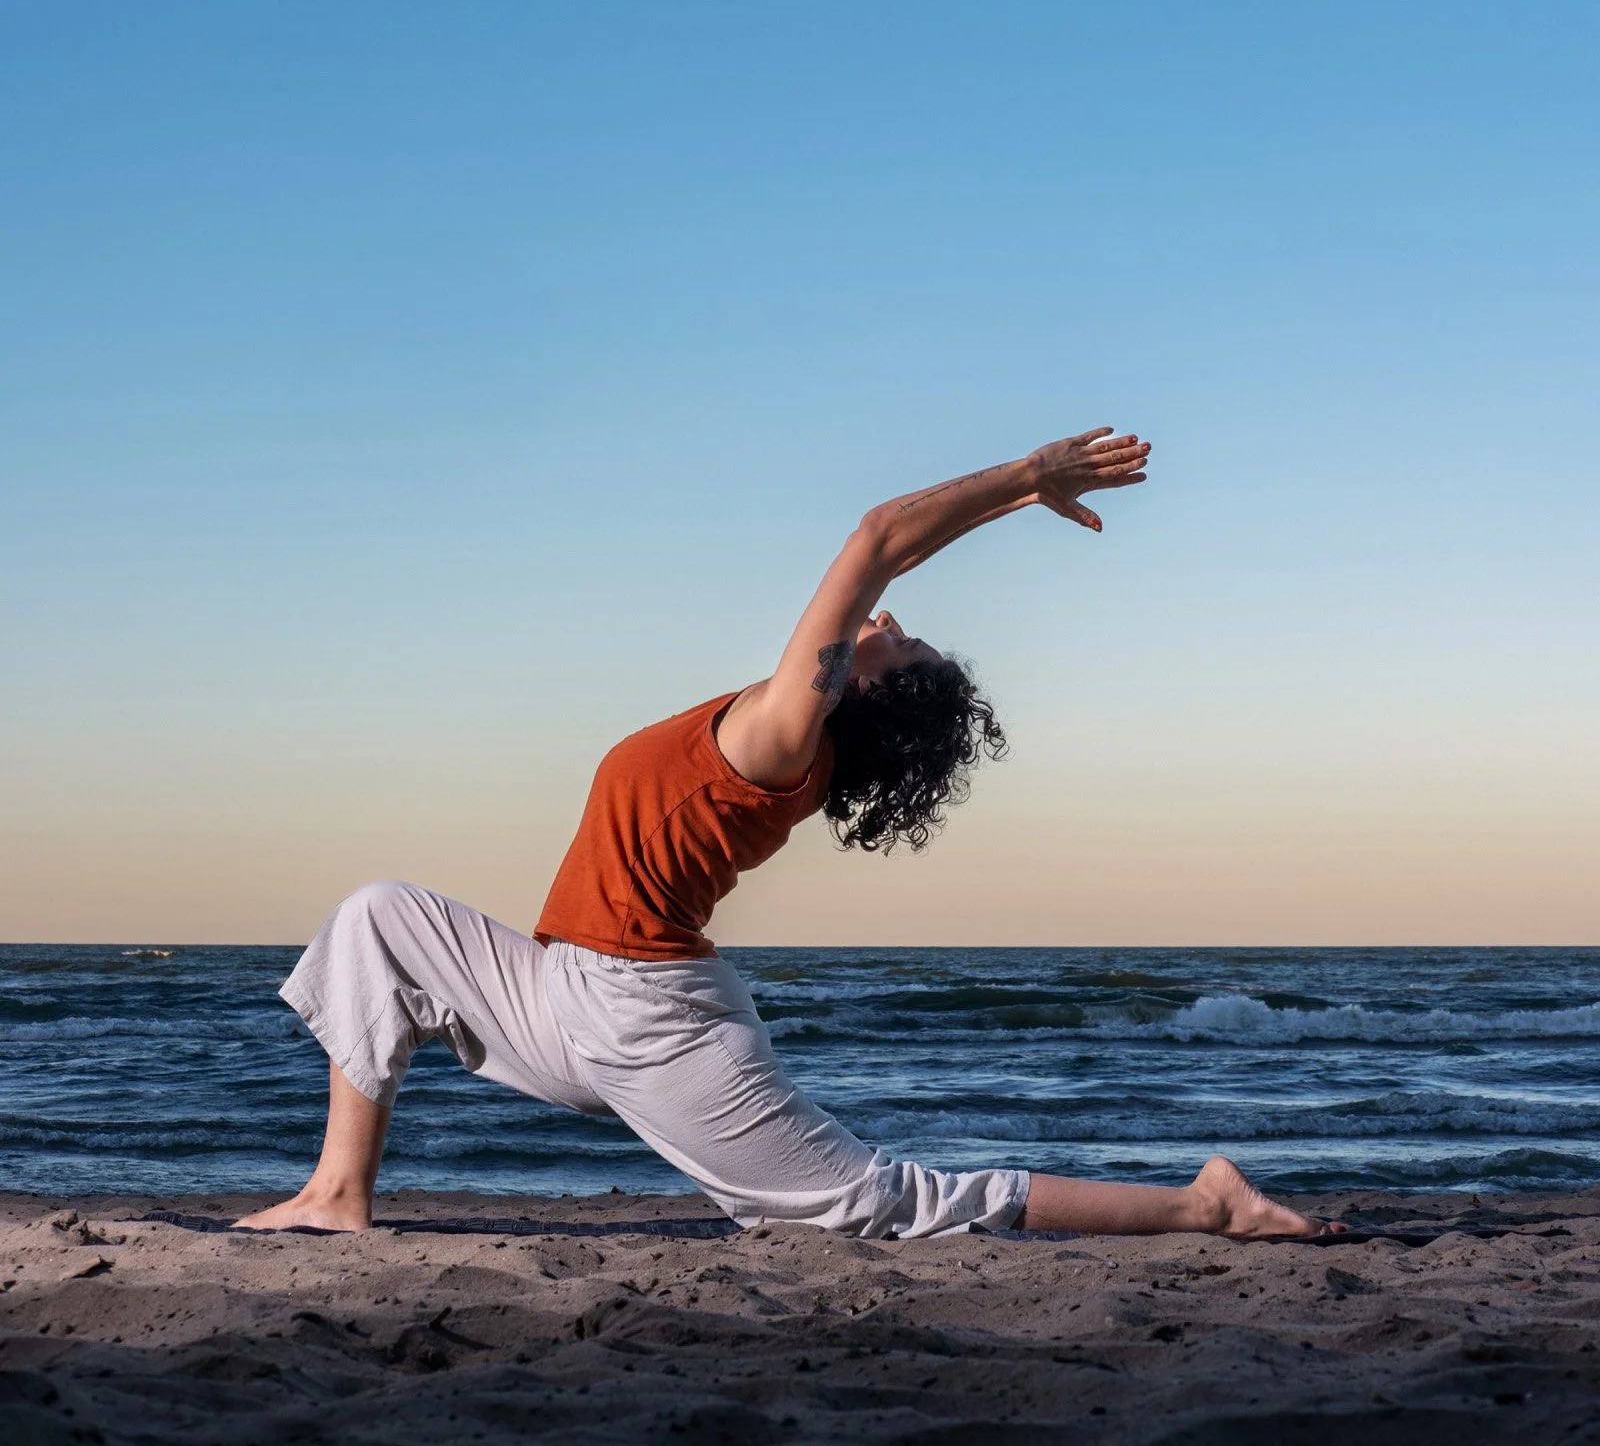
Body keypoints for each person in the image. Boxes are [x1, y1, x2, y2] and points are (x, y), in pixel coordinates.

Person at [239, 429, 1326, 1242]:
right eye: (897, 626)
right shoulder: (778, 714)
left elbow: (876, 540)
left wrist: (1022, 478)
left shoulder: (780, 736)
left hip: (651, 1024)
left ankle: (1203, 1200)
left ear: (863, 695)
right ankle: (338, 1192)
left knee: (874, 1203)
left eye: (900, 646)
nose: (887, 621)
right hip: (558, 987)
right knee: (377, 917)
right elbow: (879, 565)